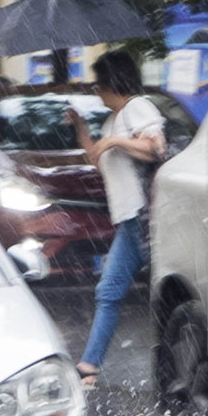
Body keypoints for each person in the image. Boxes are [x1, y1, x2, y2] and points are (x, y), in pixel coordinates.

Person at [69, 51, 166, 388]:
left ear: (112, 83)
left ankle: (190, 358)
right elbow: (99, 160)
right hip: (129, 222)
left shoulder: (138, 107)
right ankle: (89, 366)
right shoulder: (113, 121)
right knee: (109, 291)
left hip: (149, 220)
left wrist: (112, 140)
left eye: (98, 84)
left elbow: (156, 149)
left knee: (174, 288)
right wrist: (82, 129)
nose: (96, 91)